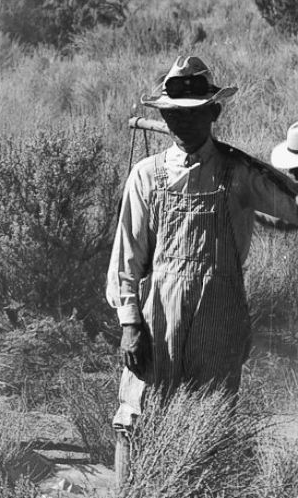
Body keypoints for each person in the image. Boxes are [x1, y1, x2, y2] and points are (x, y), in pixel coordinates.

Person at [107, 56, 298, 433]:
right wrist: (130, 323)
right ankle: (130, 493)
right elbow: (125, 261)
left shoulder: (239, 173)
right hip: (157, 315)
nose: (181, 121)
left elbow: (292, 208)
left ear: (214, 112)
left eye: (193, 113)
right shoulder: (145, 176)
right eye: (174, 113)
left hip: (221, 312)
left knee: (209, 420)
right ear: (163, 116)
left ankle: (203, 493)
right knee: (137, 416)